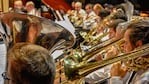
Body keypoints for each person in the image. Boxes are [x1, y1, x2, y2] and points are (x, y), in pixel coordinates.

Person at [110, 20, 149, 84]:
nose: (123, 46)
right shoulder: (138, 63)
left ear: (138, 45)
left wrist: (115, 78)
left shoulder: (146, 78)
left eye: (126, 42)